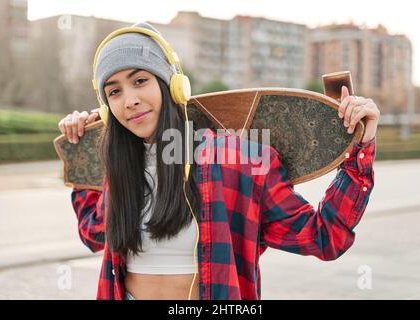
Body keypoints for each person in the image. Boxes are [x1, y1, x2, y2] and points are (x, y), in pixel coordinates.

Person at [58, 22, 380, 300]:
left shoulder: (235, 160)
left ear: (173, 85)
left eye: (140, 80)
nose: (130, 100)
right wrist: (82, 150)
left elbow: (323, 238)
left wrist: (360, 148)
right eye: (114, 92)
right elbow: (93, 234)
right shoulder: (122, 171)